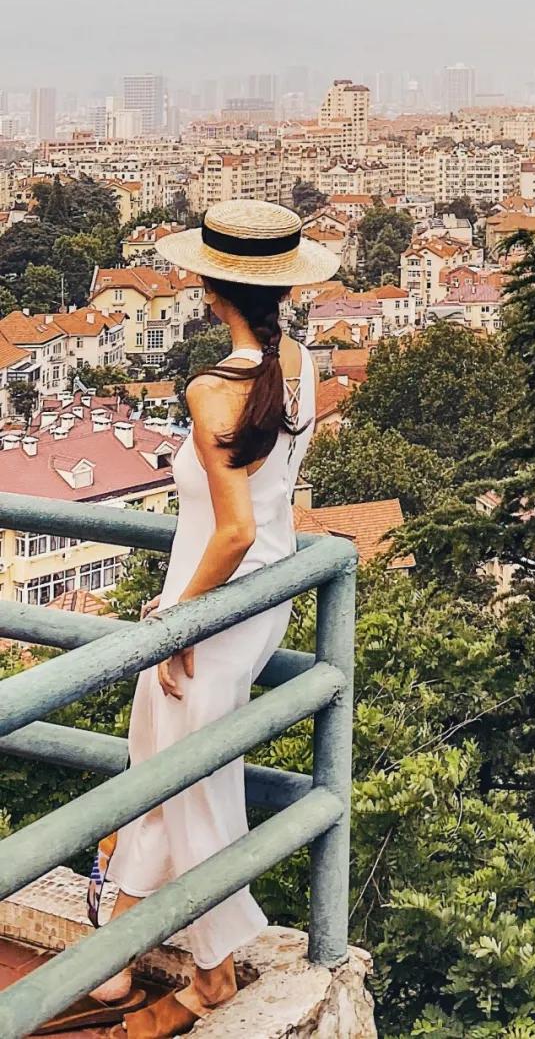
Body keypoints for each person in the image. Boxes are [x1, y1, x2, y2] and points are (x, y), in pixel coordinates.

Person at [60, 200, 339, 1039]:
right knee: (163, 763)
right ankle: (113, 960)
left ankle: (215, 968)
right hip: (258, 595)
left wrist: (177, 619)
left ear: (210, 288)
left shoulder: (214, 388)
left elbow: (233, 525)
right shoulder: (299, 360)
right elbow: (268, 510)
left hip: (209, 601)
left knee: (188, 778)